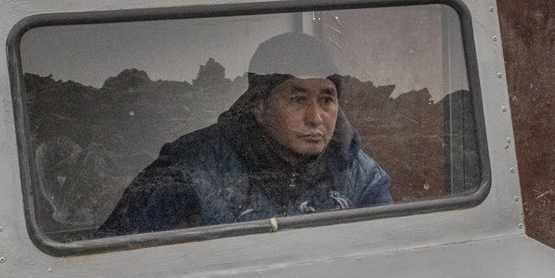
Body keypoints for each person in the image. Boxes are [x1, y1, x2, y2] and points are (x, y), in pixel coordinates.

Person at [99, 31, 392, 236]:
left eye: (326, 99)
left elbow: (383, 267)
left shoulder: (362, 177)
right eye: (297, 99)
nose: (316, 118)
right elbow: (120, 262)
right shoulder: (189, 172)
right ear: (259, 106)